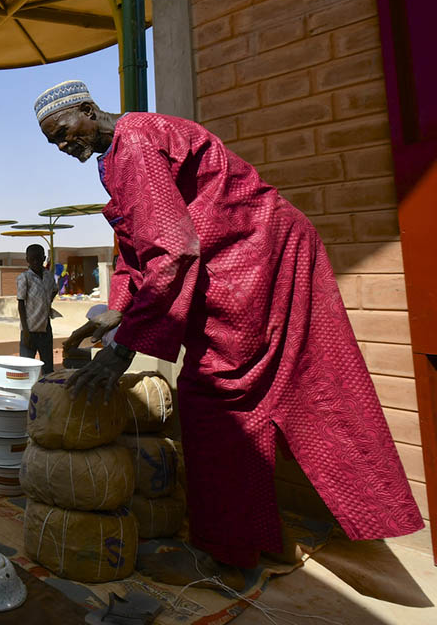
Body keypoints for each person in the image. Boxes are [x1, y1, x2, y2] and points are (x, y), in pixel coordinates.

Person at [35, 79, 422, 567]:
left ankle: (227, 554)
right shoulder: (116, 154)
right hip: (243, 261)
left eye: (66, 131)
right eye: (55, 143)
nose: (65, 146)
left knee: (216, 398)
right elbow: (141, 244)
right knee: (239, 401)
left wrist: (121, 351)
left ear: (88, 110)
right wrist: (118, 310)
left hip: (258, 255)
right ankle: (253, 534)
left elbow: (173, 250)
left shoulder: (134, 142)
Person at [16, 244, 57, 376]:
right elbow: (21, 304)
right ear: (27, 259)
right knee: (26, 369)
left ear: (44, 258)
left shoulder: (49, 276)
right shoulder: (25, 278)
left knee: (48, 368)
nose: (36, 262)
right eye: (32, 259)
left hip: (45, 329)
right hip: (30, 330)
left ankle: (46, 393)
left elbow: (54, 290)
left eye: (39, 259)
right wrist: (26, 331)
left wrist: (46, 302)